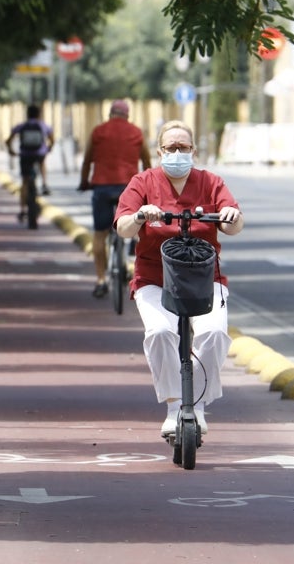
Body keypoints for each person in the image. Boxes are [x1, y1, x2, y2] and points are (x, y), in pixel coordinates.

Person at [114, 120, 244, 437]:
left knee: (214, 334)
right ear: (160, 151)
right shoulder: (142, 182)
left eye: (183, 148)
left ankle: (197, 405)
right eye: (170, 147)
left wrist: (230, 217)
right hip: (154, 279)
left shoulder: (211, 182)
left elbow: (233, 223)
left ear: (193, 151)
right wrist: (141, 215)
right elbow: (123, 227)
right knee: (160, 332)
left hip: (203, 278)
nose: (177, 153)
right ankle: (174, 406)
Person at [78, 99, 152, 298]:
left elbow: (87, 160)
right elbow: (146, 161)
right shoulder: (136, 132)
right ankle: (132, 265)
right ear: (127, 115)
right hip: (129, 188)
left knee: (100, 233)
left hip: (101, 188)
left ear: (110, 114)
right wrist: (150, 185)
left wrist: (84, 182)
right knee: (137, 227)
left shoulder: (98, 131)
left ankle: (101, 280)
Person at [5, 104, 55, 223]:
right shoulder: (43, 125)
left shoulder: (22, 126)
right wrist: (49, 148)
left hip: (25, 155)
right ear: (39, 114)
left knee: (25, 182)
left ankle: (22, 210)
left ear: (27, 114)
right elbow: (52, 140)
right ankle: (44, 184)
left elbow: (8, 140)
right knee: (42, 162)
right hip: (39, 154)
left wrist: (11, 151)